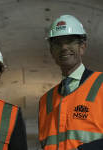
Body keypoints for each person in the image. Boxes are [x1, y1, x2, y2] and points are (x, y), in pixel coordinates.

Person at [39, 15, 103, 150]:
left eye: (70, 41)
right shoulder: (45, 101)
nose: (64, 47)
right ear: (52, 52)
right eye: (57, 43)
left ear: (82, 47)